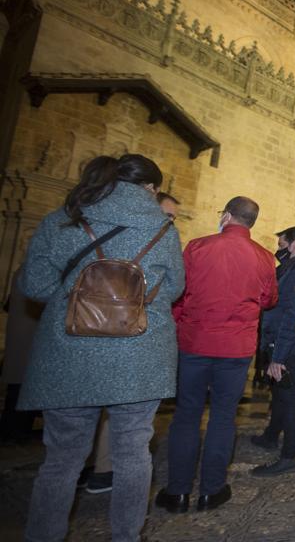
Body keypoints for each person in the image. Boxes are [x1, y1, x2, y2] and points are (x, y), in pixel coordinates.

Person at [18, 154, 184, 541]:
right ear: (151, 188)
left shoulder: (64, 218)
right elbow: (175, 288)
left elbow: (35, 285)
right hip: (139, 351)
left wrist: (78, 297)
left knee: (61, 458)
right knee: (133, 452)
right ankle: (126, 536)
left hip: (71, 348)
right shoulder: (163, 228)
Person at [154, 196, 277, 513]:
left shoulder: (198, 246)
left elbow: (178, 293)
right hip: (235, 349)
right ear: (251, 222)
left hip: (195, 343)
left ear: (227, 216)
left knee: (187, 414)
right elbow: (268, 300)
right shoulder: (264, 257)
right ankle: (212, 490)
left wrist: (178, 326)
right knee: (223, 416)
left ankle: (178, 492)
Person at [87, 190, 185, 494]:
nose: (170, 222)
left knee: (118, 409)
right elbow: (175, 287)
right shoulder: (158, 239)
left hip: (120, 330)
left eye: (173, 218)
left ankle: (102, 468)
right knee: (126, 419)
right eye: (167, 215)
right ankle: (106, 471)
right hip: (122, 331)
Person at [250, 226, 295, 477]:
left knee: (291, 399)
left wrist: (279, 356)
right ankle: (271, 435)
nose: (278, 249)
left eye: (282, 245)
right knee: (281, 394)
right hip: (287, 342)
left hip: (292, 345)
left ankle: (290, 456)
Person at [0, 267, 43, 444]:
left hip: (25, 335)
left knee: (19, 384)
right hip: (31, 336)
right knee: (23, 386)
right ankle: (14, 431)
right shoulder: (37, 271)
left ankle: (15, 429)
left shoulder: (24, 270)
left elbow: (7, 305)